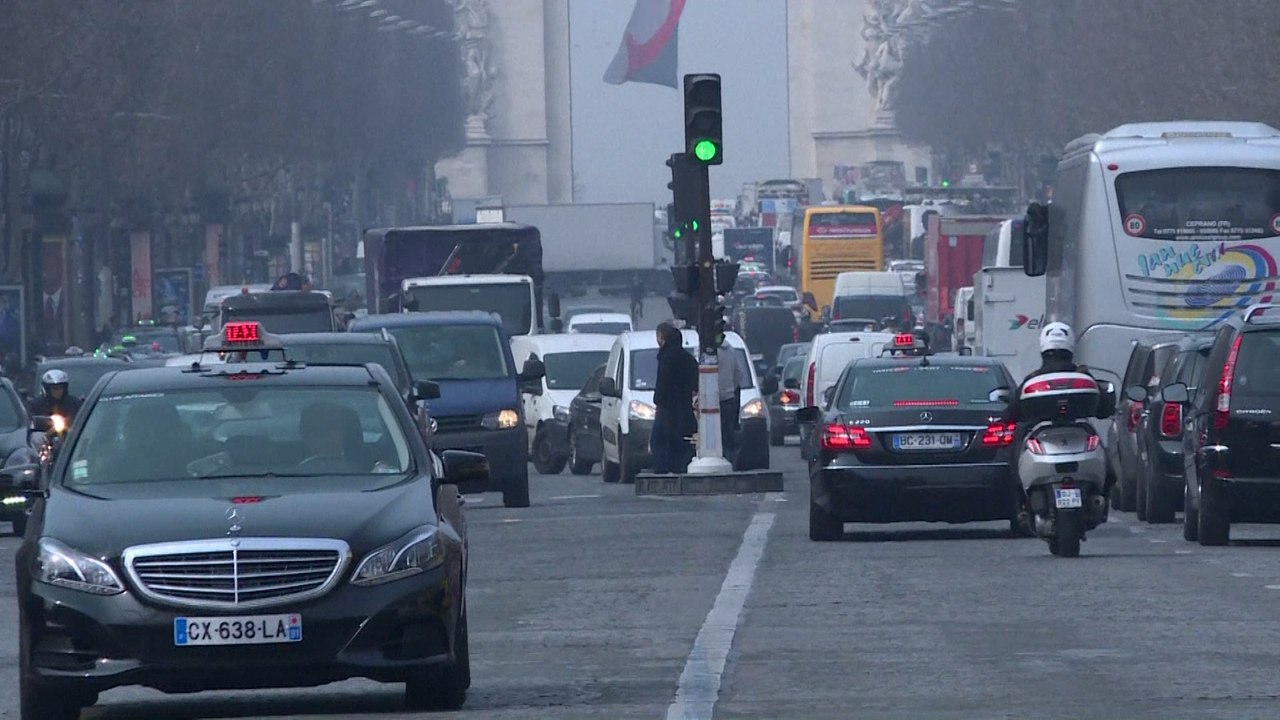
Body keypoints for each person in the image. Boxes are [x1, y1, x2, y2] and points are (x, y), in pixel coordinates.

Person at [1004, 322, 1116, 498]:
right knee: (1105, 457)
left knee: (1015, 448)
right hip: (1080, 436)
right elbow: (1104, 409)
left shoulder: (1033, 379)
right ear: (1070, 347)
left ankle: (1018, 499)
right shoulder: (1083, 376)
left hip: (1040, 440)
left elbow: (1012, 412)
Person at [651, 322, 698, 474]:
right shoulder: (688, 359)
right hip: (685, 409)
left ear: (663, 338)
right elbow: (695, 383)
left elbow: (663, 383)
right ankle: (681, 471)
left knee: (659, 443)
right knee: (682, 444)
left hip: (667, 411)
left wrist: (658, 399)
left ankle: (663, 474)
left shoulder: (665, 358)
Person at [717, 345, 748, 461]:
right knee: (728, 431)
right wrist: (730, 388)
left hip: (713, 399)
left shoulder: (707, 351)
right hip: (729, 398)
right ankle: (730, 459)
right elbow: (739, 373)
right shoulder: (731, 350)